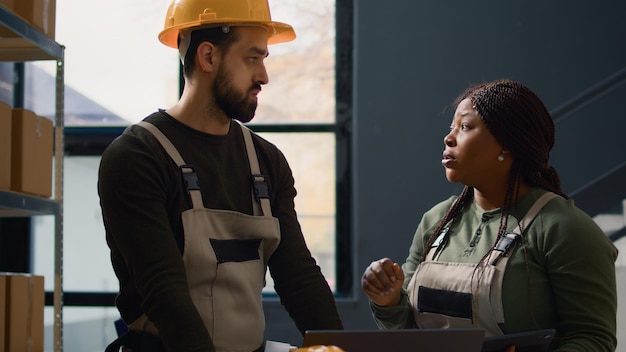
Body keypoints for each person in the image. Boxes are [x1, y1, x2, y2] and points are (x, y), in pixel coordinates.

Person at [98, 0, 343, 351]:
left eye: (263, 60)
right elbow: (164, 292)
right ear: (208, 57)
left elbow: (298, 275)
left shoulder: (265, 160)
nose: (264, 76)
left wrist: (337, 346)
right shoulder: (138, 157)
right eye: (252, 58)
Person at [361, 79, 618, 351]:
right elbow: (410, 332)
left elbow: (593, 339)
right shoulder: (437, 221)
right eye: (451, 128)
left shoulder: (564, 229)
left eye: (465, 127)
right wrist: (388, 300)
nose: (448, 138)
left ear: (507, 144)